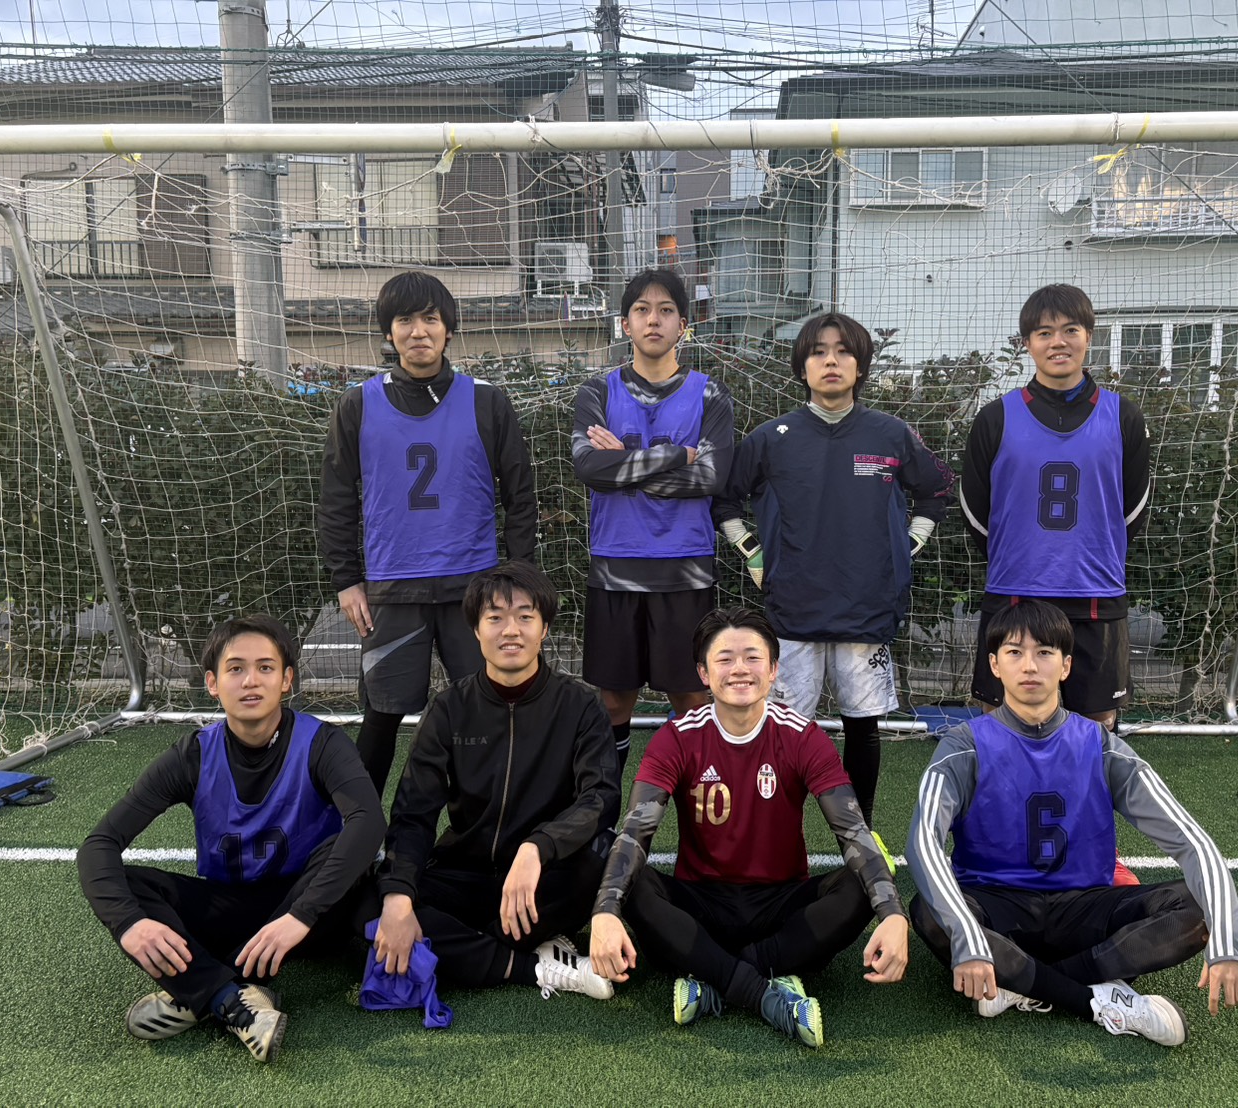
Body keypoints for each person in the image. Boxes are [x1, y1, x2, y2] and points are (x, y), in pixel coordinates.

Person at [906, 600, 1238, 1048]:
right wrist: (969, 938)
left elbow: (1192, 842)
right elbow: (923, 842)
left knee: (1196, 909)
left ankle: (1019, 985)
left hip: (1084, 908)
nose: (1029, 666)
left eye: (1044, 652)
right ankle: (1097, 999)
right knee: (931, 911)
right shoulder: (965, 746)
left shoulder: (1101, 745)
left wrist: (1229, 943)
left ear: (1066, 665)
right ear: (994, 665)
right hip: (997, 909)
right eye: (1014, 652)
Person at [589, 607, 909, 1049]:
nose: (739, 668)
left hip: (780, 904)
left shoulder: (803, 736)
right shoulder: (676, 737)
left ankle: (712, 978)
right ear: (704, 673)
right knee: (633, 880)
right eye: (725, 659)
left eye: (753, 657)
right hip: (700, 904)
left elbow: (853, 831)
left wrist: (893, 914)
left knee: (860, 883)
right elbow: (634, 833)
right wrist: (604, 911)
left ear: (774, 669)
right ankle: (764, 990)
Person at [78, 616, 385, 1063]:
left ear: (286, 680)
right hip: (234, 908)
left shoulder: (323, 743)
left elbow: (368, 822)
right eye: (236, 668)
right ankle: (229, 997)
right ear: (213, 684)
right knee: (129, 884)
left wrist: (300, 915)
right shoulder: (192, 755)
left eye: (265, 667)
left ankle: (199, 991)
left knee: (344, 849)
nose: (251, 680)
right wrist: (129, 924)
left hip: (314, 915)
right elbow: (100, 843)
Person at [714, 312, 953, 827]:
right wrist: (752, 551)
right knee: (785, 732)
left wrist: (909, 542)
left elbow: (937, 490)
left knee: (862, 728)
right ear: (801, 367)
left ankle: (860, 836)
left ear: (860, 366)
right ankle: (779, 835)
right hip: (793, 606)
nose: (831, 361)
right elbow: (724, 499)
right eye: (818, 351)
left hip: (867, 605)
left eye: (844, 351)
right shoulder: (771, 437)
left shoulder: (891, 434)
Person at [318, 270, 538, 796]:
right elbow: (336, 499)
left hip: (475, 591)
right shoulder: (357, 404)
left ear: (448, 329)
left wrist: (518, 578)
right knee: (381, 717)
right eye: (405, 320)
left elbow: (521, 497)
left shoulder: (487, 401)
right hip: (393, 589)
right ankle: (358, 829)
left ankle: (490, 827)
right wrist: (347, 580)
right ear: (388, 332)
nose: (419, 331)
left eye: (430, 319)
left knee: (489, 714)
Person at [367, 561, 618, 1001]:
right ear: (476, 630)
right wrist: (400, 897)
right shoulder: (449, 708)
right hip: (465, 876)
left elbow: (600, 797)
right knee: (371, 900)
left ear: (544, 629)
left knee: (602, 852)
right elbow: (413, 812)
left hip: (543, 882)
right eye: (495, 617)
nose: (511, 630)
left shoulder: (579, 705)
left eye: (525, 616)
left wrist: (537, 847)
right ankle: (531, 965)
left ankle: (458, 950)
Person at [960, 284, 1150, 729]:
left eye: (1070, 330)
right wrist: (1021, 557)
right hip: (1015, 592)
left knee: (1097, 724)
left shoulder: (1123, 416)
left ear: (1089, 336)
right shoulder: (995, 418)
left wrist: (1091, 553)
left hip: (1095, 592)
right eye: (1044, 333)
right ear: (1027, 343)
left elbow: (1134, 508)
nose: (1057, 342)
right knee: (1003, 721)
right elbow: (975, 511)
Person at [572, 268, 734, 777]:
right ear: (625, 324)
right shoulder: (596, 391)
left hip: (685, 570)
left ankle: (695, 817)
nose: (653, 320)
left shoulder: (710, 394)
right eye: (642, 310)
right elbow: (589, 469)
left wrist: (624, 465)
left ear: (683, 325)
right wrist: (674, 456)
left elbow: (710, 477)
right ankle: (604, 814)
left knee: (691, 700)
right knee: (613, 701)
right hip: (615, 568)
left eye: (666, 311)